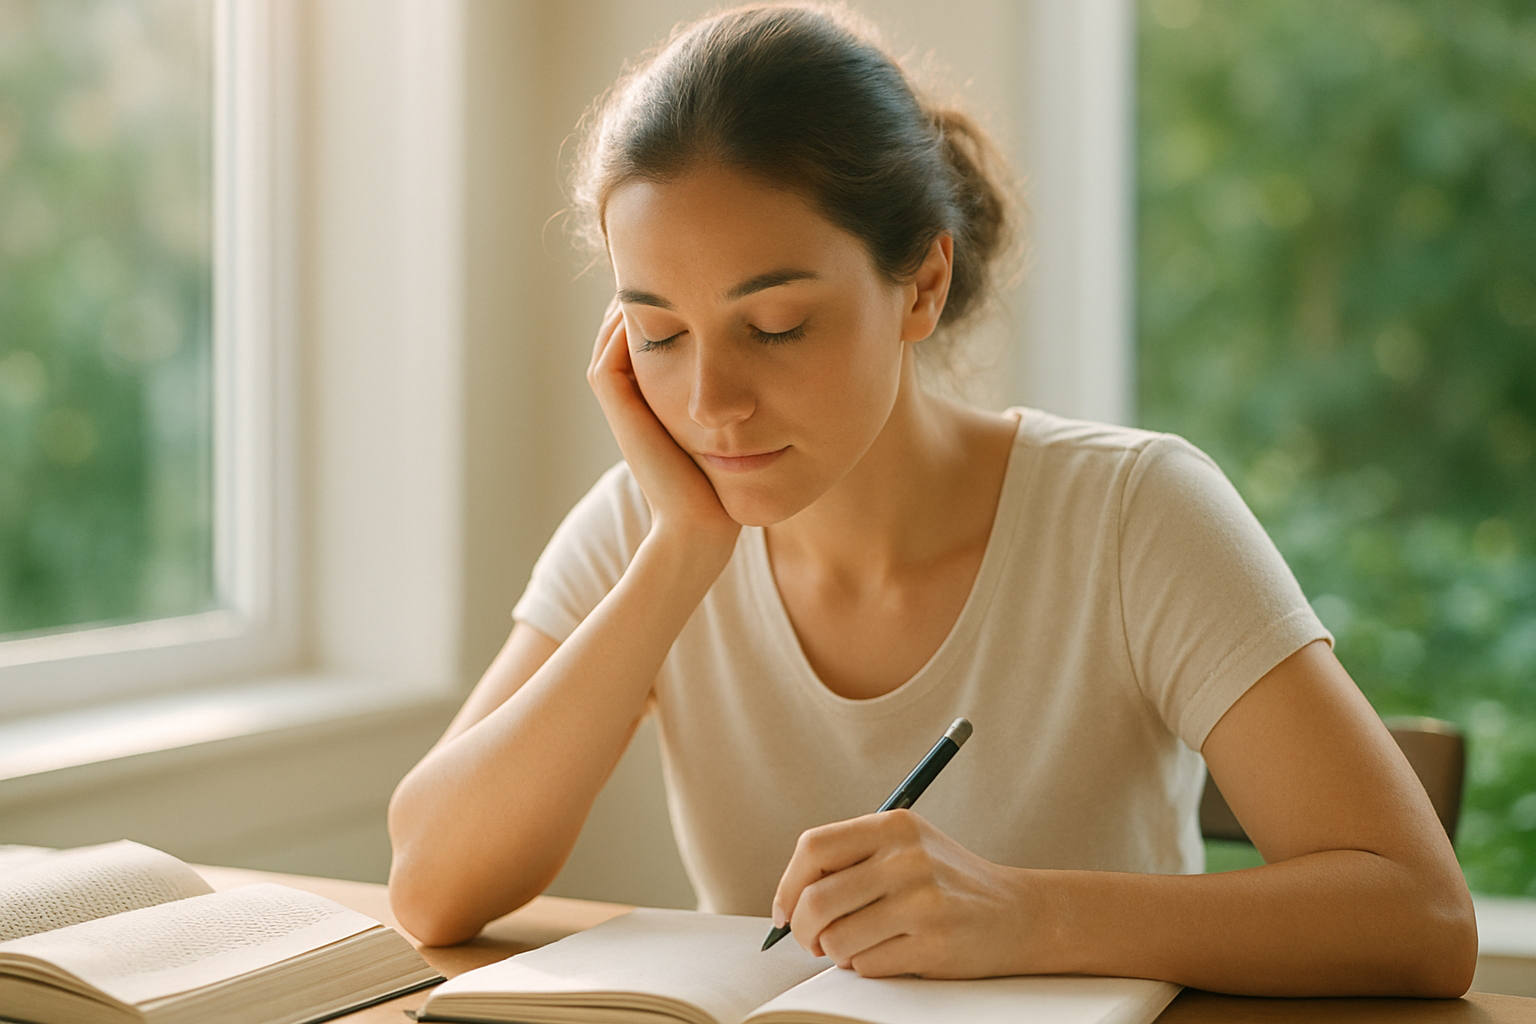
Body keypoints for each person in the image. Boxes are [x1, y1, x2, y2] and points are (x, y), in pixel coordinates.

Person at [387, 2, 1476, 997]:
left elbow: (1422, 916)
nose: (711, 404)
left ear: (922, 286)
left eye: (775, 326)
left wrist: (1026, 914)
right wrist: (679, 557)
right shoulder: (649, 526)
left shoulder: (1130, 514)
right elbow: (430, 888)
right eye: (659, 335)